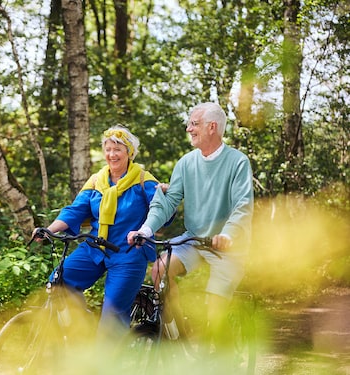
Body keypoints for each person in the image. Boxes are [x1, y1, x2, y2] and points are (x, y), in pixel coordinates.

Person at [127, 102, 254, 358]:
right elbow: (170, 200)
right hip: (194, 239)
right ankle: (180, 339)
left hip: (227, 247)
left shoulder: (237, 162)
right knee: (159, 269)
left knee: (214, 313)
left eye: (194, 124)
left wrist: (227, 235)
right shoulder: (186, 163)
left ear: (212, 127)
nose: (188, 128)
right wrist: (147, 229)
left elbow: (242, 206)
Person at [33, 125, 165, 334]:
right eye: (108, 149)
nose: (112, 154)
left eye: (118, 149)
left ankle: (107, 362)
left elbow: (162, 212)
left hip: (128, 253)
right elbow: (75, 210)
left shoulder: (144, 181)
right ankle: (82, 331)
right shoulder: (97, 181)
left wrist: (162, 198)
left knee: (112, 314)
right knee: (59, 282)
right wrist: (49, 230)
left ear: (129, 152)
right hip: (95, 248)